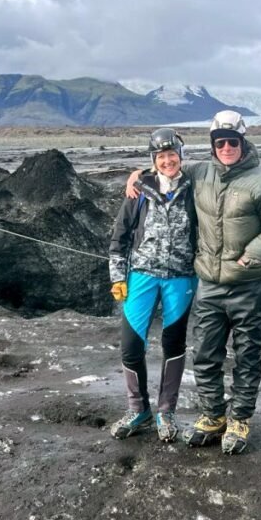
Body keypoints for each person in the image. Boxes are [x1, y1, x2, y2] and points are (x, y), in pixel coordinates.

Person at [127, 110, 261, 454]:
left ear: (243, 143)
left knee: (247, 354)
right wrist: (138, 175)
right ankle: (213, 416)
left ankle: (240, 419)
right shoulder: (201, 172)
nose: (227, 147)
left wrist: (254, 253)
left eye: (233, 142)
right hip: (210, 284)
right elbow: (167, 166)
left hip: (248, 283)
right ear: (213, 145)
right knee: (205, 353)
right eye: (221, 142)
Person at [108, 127, 198, 442]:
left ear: (181, 157)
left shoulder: (194, 187)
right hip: (142, 276)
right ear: (153, 160)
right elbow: (120, 236)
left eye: (172, 155)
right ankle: (139, 410)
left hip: (181, 278)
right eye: (161, 156)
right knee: (131, 348)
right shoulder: (139, 190)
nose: (168, 161)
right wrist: (118, 276)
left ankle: (166, 413)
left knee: (173, 345)